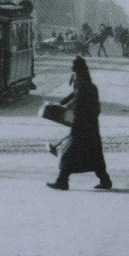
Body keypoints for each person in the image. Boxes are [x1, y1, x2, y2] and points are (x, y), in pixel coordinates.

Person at [47, 56, 112, 191]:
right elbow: (73, 95)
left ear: (77, 68)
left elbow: (77, 101)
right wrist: (60, 103)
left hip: (82, 125)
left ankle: (62, 181)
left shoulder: (83, 84)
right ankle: (105, 180)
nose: (71, 68)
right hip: (90, 125)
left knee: (68, 153)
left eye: (73, 66)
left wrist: (65, 108)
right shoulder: (85, 82)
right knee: (94, 155)